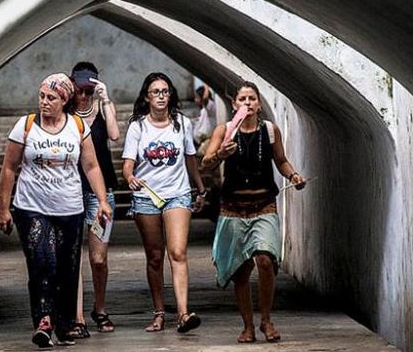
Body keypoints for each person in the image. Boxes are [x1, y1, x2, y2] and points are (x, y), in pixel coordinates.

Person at [0, 73, 112, 348]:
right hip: (31, 207)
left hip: (69, 207)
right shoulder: (26, 126)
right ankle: (44, 320)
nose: (44, 102)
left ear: (64, 100)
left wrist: (103, 200)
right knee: (42, 261)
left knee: (67, 268)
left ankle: (64, 324)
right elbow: (9, 168)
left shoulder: (77, 127)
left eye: (51, 98)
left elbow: (91, 166)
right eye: (42, 96)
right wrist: (3, 208)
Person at [200, 80, 306, 343]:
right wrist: (221, 154)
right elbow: (206, 164)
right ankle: (247, 325)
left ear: (259, 105)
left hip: (263, 205)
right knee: (241, 269)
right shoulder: (223, 131)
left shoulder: (270, 131)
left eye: (252, 99)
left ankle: (266, 320)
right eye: (242, 99)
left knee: (266, 261)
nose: (247, 103)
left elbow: (280, 160)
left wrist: (293, 175)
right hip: (233, 209)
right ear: (234, 104)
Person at [121, 72, 207, 333]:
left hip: (177, 194)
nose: (160, 96)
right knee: (155, 256)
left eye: (165, 91)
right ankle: (159, 313)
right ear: (146, 97)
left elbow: (190, 158)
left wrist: (200, 188)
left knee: (178, 252)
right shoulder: (138, 126)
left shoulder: (182, 123)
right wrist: (130, 177)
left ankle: (182, 313)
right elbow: (127, 165)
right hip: (147, 197)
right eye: (155, 92)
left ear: (170, 95)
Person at [68, 62, 120, 338]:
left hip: (101, 194)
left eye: (89, 90)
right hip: (71, 192)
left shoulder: (101, 107)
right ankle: (77, 317)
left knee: (98, 259)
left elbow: (113, 134)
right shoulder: (65, 114)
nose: (84, 96)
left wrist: (105, 98)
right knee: (74, 258)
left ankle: (99, 308)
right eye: (81, 90)